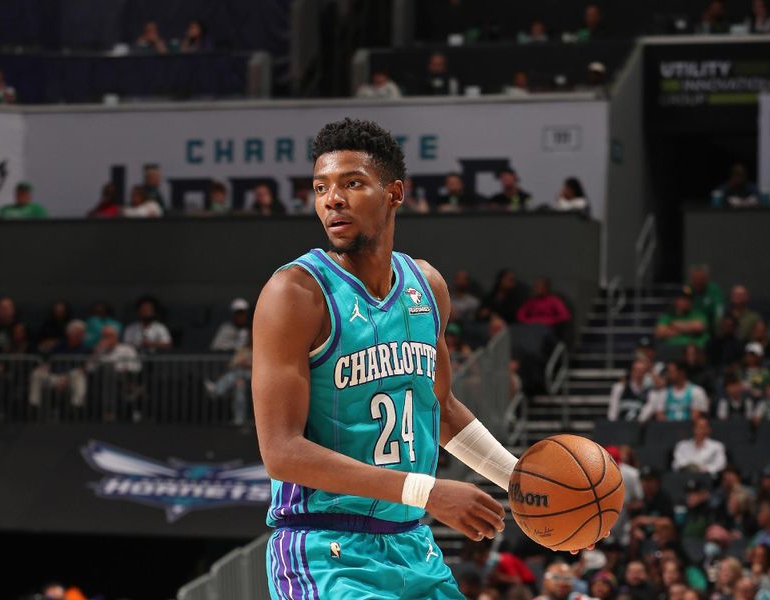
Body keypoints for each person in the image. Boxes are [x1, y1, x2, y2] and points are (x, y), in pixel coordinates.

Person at [251, 119, 601, 599]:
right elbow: (281, 452)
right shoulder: (294, 293)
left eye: (352, 183)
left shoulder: (427, 287)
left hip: (412, 545)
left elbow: (439, 407)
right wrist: (428, 492)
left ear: (394, 193)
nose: (332, 198)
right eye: (320, 187)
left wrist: (518, 480)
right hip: (326, 548)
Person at [28, 319, 90, 409]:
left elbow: (84, 367)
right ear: (70, 334)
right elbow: (49, 361)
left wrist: (66, 379)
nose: (81, 336)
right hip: (54, 376)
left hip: (70, 378)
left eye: (82, 334)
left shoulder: (85, 349)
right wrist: (45, 367)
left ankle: (77, 406)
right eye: (78, 334)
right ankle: (34, 405)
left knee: (78, 375)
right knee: (37, 373)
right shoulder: (59, 346)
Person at [687, 265, 724, 333]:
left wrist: (718, 321)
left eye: (701, 279)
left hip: (710, 325)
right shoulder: (687, 289)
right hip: (690, 325)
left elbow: (719, 309)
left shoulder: (714, 290)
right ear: (691, 279)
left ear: (706, 279)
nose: (698, 281)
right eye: (695, 279)